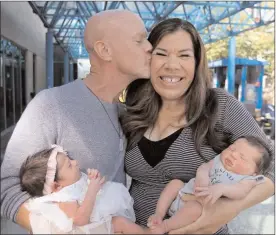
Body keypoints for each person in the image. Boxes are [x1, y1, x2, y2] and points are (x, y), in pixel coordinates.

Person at [1, 9, 152, 232]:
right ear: (105, 50)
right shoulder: (50, 105)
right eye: (139, 40)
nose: (149, 47)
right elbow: (7, 188)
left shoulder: (125, 112)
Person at [120, 18, 274, 234]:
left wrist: (230, 207)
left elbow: (272, 161)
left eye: (184, 55)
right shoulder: (134, 110)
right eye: (161, 54)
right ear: (148, 58)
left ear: (196, 62)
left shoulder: (219, 105)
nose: (172, 65)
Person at [146, 136, 270, 234]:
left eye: (242, 157)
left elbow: (240, 192)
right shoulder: (218, 160)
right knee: (175, 183)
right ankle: (159, 214)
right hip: (184, 192)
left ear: (254, 172)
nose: (233, 155)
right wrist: (203, 176)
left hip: (197, 209)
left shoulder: (247, 179)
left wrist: (221, 189)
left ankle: (165, 226)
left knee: (195, 208)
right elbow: (204, 168)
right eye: (232, 148)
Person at [19, 145, 148, 234]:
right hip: (87, 228)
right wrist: (92, 190)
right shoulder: (64, 198)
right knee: (120, 223)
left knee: (122, 222)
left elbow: (84, 189)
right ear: (56, 186)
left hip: (94, 216)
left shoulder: (67, 185)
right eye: (69, 165)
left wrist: (92, 180)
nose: (75, 162)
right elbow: (80, 220)